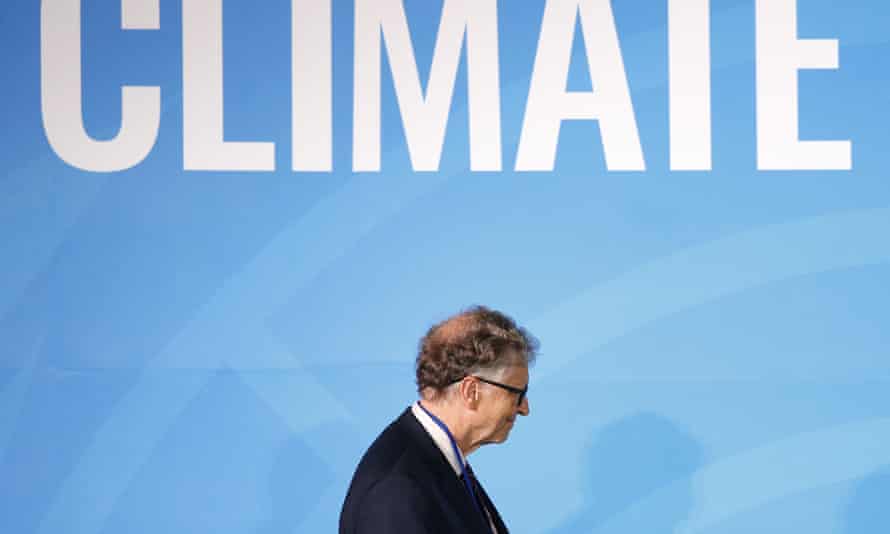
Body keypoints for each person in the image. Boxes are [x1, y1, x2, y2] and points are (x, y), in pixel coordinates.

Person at [339, 305, 538, 534]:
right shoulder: (398, 490)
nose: (524, 408)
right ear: (471, 391)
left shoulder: (440, 462)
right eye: (517, 394)